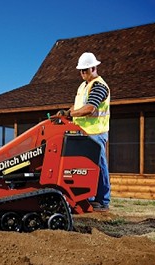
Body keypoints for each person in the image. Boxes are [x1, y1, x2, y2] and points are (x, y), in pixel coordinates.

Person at [57, 52, 111, 212]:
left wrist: (69, 114)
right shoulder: (83, 86)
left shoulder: (99, 86)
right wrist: (66, 112)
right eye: (81, 71)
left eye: (85, 70)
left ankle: (103, 200)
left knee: (99, 166)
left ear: (94, 68)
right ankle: (88, 198)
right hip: (83, 133)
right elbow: (79, 106)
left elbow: (89, 108)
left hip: (96, 132)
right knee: (85, 167)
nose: (82, 73)